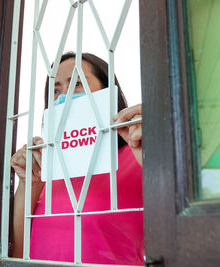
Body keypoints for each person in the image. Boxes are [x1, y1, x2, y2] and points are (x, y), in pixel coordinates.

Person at [11, 52, 143, 265]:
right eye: (55, 90)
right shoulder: (46, 165)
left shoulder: (134, 154)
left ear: (108, 91)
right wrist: (29, 182)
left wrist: (151, 150)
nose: (64, 94)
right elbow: (16, 254)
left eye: (77, 83)